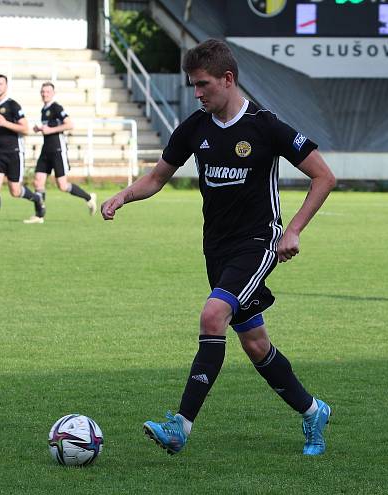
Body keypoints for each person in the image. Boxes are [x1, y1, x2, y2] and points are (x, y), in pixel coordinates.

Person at [101, 39, 337, 456]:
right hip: (217, 251)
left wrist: (293, 230)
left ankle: (180, 427)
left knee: (213, 315)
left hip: (258, 242)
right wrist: (123, 196)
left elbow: (324, 176)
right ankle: (313, 410)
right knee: (255, 344)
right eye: (193, 85)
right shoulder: (195, 128)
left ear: (228, 80)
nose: (197, 93)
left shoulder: (265, 126)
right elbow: (157, 178)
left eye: (203, 84)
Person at [24, 82, 97, 224]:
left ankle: (89, 198)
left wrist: (49, 130)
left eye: (47, 91)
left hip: (57, 150)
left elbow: (69, 124)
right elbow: (48, 127)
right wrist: (40, 129)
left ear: (53, 93)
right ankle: (39, 215)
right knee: (38, 181)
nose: (45, 94)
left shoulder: (56, 107)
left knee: (62, 186)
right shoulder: (43, 110)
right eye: (43, 91)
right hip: (46, 150)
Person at [0, 74, 42, 235]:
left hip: (14, 152)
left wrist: (4, 122)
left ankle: (36, 198)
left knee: (15, 191)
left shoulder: (13, 105)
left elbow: (25, 128)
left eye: (0, 84)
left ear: (6, 86)